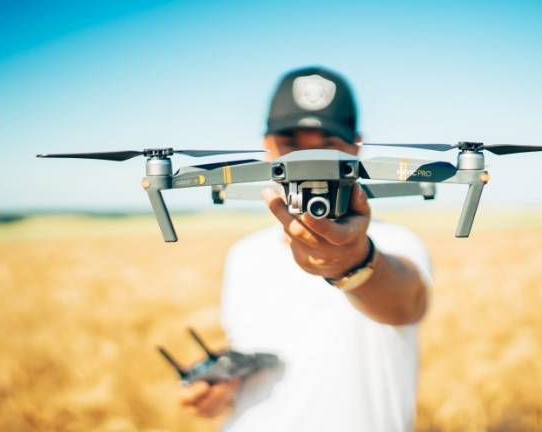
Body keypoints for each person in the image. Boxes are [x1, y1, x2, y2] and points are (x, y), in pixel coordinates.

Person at [179, 66, 433, 431]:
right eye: (292, 145)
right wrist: (221, 384)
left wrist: (354, 262)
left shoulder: (397, 243)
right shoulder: (244, 255)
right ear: (267, 146)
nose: (308, 161)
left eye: (327, 145)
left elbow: (404, 304)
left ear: (356, 146)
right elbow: (260, 345)